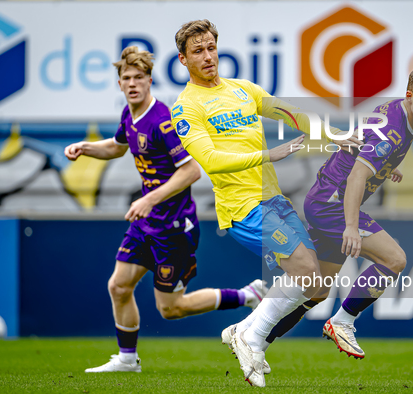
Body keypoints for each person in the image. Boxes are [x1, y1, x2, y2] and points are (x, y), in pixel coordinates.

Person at [171, 20, 361, 387]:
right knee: (306, 270)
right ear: (183, 59)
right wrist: (267, 155)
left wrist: (336, 135)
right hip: (242, 207)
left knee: (319, 286)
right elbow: (209, 160)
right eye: (198, 51)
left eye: (211, 47)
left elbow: (292, 114)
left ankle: (243, 327)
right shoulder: (185, 108)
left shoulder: (244, 91)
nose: (208, 55)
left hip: (275, 200)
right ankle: (251, 337)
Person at [64, 46, 268, 373]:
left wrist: (148, 199)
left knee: (170, 309)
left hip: (173, 227)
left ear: (149, 81)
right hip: (146, 224)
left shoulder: (163, 120)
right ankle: (127, 360)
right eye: (126, 78)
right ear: (119, 84)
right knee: (118, 286)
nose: (132, 83)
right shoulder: (129, 116)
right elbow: (118, 146)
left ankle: (247, 295)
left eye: (139, 77)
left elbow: (190, 172)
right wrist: (87, 148)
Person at [264, 63, 413, 359]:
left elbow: (367, 144)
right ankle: (342, 321)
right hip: (331, 205)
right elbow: (356, 177)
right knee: (394, 259)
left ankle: (255, 339)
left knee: (316, 292)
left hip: (324, 199)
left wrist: (387, 166)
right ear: (410, 95)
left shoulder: (400, 114)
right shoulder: (392, 129)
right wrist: (351, 226)